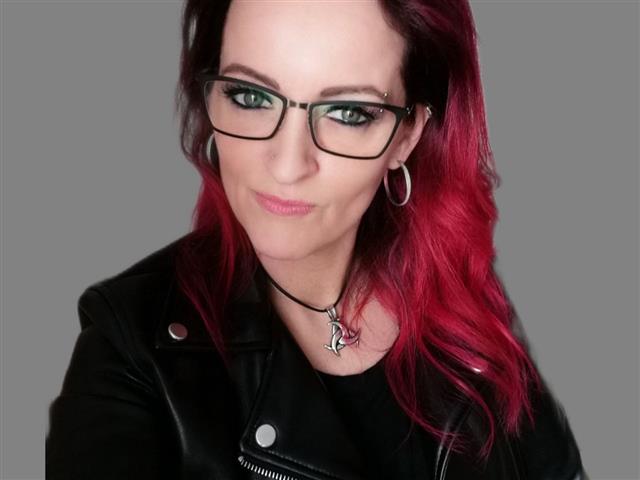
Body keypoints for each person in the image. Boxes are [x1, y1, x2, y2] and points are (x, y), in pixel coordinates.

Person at [45, 1, 588, 479]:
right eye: (250, 96)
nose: (287, 166)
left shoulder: (466, 303)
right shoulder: (130, 347)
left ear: (406, 136)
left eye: (348, 113)